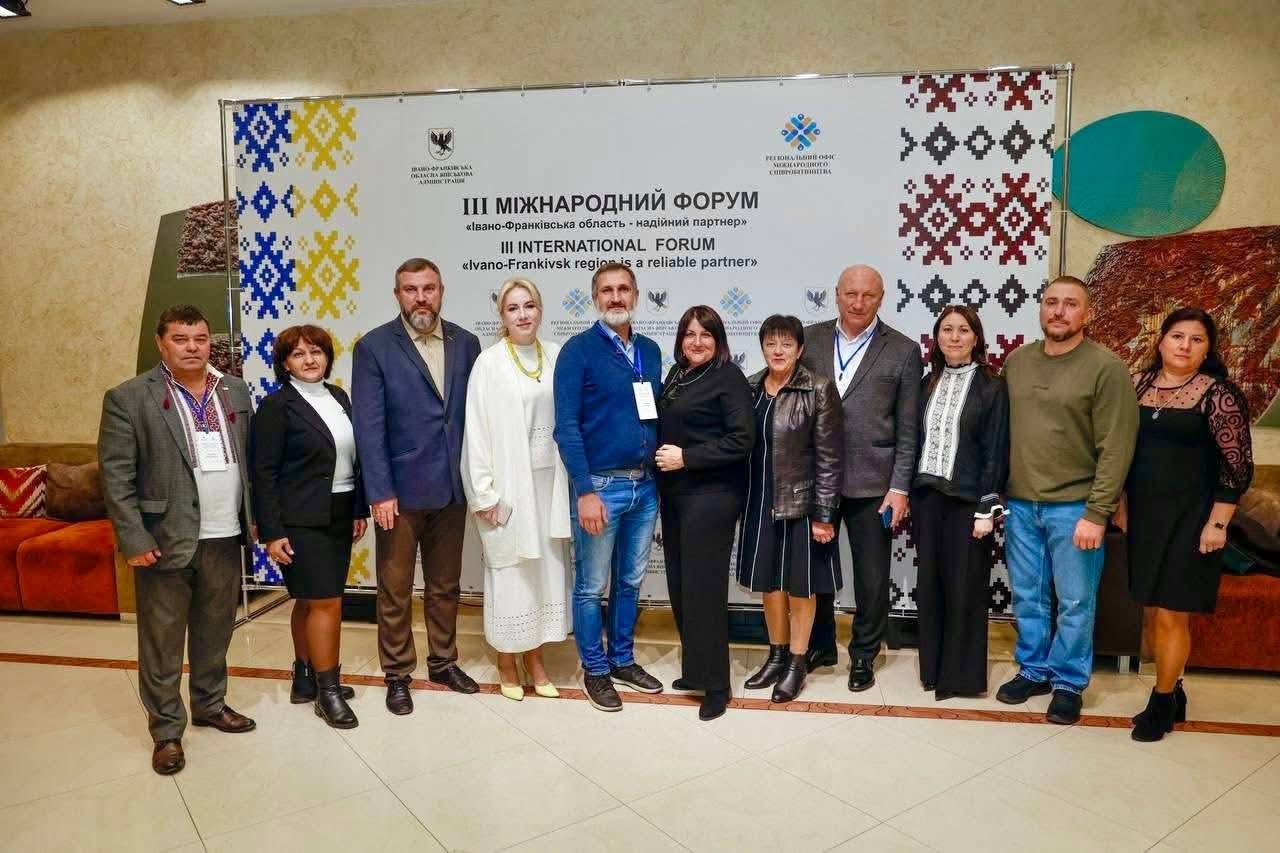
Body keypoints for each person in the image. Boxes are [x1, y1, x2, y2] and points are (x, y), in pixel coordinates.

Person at [98, 304, 257, 776]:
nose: (192, 347)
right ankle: (167, 731)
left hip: (225, 533)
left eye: (200, 339)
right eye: (181, 339)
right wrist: (133, 537)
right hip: (164, 539)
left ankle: (210, 704)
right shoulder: (129, 397)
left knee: (216, 630)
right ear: (161, 343)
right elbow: (116, 476)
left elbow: (250, 460)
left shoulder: (234, 389)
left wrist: (257, 520)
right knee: (163, 641)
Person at [998, 275, 1138, 725]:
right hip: (1021, 504)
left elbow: (1117, 446)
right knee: (1028, 596)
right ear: (1041, 308)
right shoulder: (1017, 362)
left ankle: (1068, 682)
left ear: (1087, 313)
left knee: (1076, 601)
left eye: (1071, 303)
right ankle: (1034, 669)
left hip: (1076, 507)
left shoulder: (1106, 367)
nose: (1059, 311)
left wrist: (1098, 511)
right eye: (1051, 302)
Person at [1113, 308, 1253, 741]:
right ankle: (1175, 691)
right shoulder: (1138, 384)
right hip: (1145, 516)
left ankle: (1161, 704)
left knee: (1173, 614)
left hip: (1194, 519)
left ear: (1208, 350)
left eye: (1196, 339)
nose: (1185, 345)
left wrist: (1218, 524)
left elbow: (1237, 467)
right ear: (1161, 341)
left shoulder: (1219, 394)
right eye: (1177, 336)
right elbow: (1121, 449)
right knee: (1153, 610)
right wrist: (1120, 502)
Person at [352, 257, 482, 715]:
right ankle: (397, 673)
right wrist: (379, 491)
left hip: (452, 488)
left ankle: (443, 662)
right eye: (411, 289)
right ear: (397, 295)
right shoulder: (374, 347)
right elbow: (368, 427)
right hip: (400, 494)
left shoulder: (466, 342)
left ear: (441, 291)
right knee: (396, 588)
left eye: (429, 288)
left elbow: (474, 416)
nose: (421, 298)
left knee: (445, 584)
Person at [803, 265, 922, 692]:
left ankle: (864, 653)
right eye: (850, 294)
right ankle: (819, 645)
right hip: (816, 480)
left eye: (868, 295)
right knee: (814, 571)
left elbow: (909, 429)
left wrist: (900, 487)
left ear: (881, 298)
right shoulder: (809, 339)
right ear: (836, 294)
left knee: (871, 577)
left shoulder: (904, 350)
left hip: (875, 484)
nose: (858, 303)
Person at [553, 261, 665, 712]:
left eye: (623, 289)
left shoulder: (651, 351)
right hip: (600, 487)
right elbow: (566, 427)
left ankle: (621, 660)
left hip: (645, 487)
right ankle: (595, 670)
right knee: (591, 585)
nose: (615, 297)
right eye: (606, 290)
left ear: (635, 295)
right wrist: (584, 490)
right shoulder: (578, 351)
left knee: (630, 581)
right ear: (595, 298)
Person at [250, 325, 367, 728]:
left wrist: (357, 510)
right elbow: (263, 474)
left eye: (316, 351)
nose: (309, 360)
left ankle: (305, 679)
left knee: (308, 600)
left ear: (328, 357)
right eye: (298, 354)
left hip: (339, 511)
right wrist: (271, 532)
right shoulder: (276, 407)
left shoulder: (339, 397)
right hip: (299, 519)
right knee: (326, 602)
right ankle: (328, 692)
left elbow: (353, 461)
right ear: (285, 364)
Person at [462, 278, 572, 702]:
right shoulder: (488, 364)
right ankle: (507, 662)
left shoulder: (557, 355)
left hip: (549, 490)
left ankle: (536, 661)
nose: (523, 314)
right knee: (511, 579)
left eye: (529, 306)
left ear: (540, 310)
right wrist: (483, 494)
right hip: (509, 492)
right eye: (513, 308)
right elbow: (476, 433)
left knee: (544, 577)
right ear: (502, 316)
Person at [655, 305, 755, 720]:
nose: (697, 342)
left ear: (719, 340)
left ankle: (717, 685)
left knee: (704, 589)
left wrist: (687, 457)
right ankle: (696, 670)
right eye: (689, 334)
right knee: (681, 586)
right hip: (676, 494)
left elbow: (743, 439)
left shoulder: (728, 377)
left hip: (712, 496)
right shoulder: (677, 374)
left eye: (706, 335)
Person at [738, 315, 843, 703]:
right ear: (762, 348)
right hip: (759, 500)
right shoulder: (750, 387)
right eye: (771, 343)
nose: (778, 350)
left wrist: (824, 514)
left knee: (801, 586)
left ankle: (797, 663)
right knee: (769, 583)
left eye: (786, 344)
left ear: (800, 349)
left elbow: (830, 458)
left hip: (802, 504)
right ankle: (776, 656)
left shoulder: (818, 388)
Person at [911, 305, 1008, 700]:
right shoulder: (926, 383)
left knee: (965, 587)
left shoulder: (992, 385)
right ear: (936, 337)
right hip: (926, 501)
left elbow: (996, 450)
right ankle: (932, 671)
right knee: (930, 586)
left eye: (963, 330)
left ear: (976, 338)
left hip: (969, 505)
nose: (954, 337)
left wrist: (987, 509)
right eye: (947, 329)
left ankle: (961, 678)